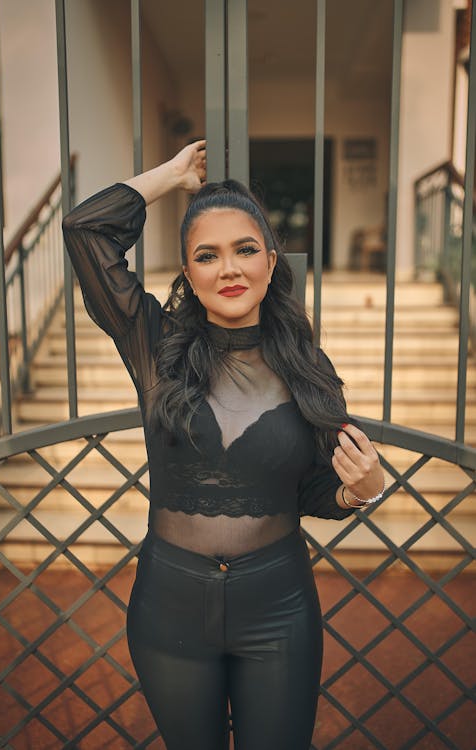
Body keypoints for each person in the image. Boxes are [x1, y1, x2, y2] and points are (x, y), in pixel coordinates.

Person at [62, 140, 385, 750]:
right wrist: (171, 177)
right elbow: (84, 230)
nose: (229, 269)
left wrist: (356, 491)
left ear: (269, 260)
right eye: (207, 256)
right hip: (169, 607)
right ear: (188, 273)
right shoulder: (154, 346)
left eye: (244, 250)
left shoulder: (307, 366)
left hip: (279, 609)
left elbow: (312, 490)